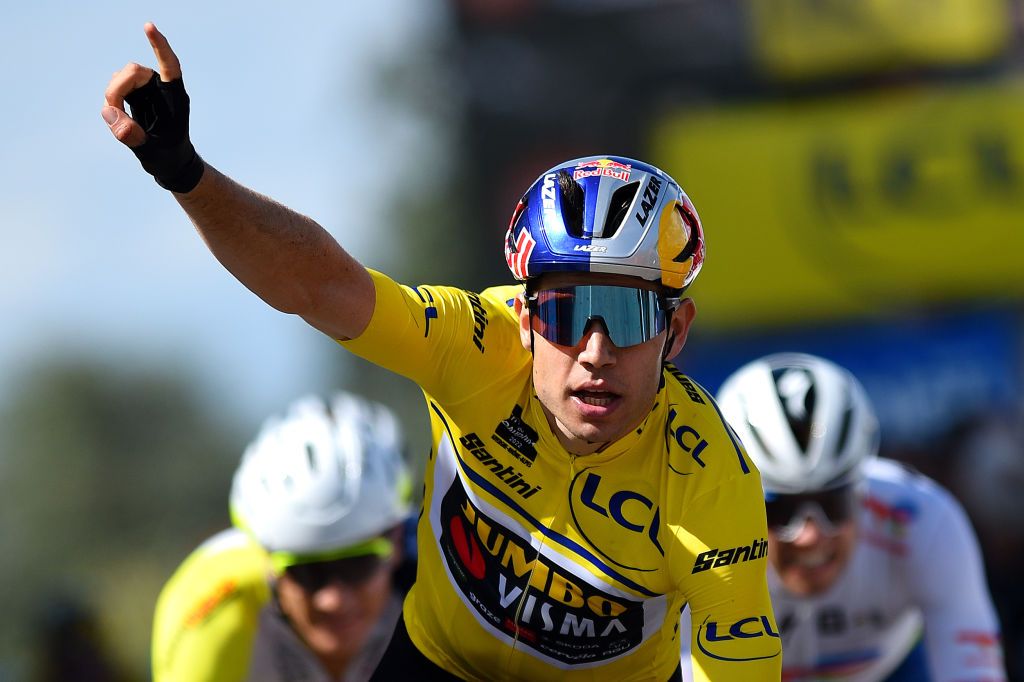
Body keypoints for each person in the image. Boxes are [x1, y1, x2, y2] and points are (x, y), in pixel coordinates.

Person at [105, 24, 780, 681]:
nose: (595, 352)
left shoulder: (712, 484)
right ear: (522, 316)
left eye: (628, 317)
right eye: (567, 314)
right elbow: (319, 283)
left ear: (677, 332)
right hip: (440, 664)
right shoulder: (472, 342)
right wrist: (189, 177)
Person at [682, 352, 1006, 681]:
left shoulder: (924, 520)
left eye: (833, 503)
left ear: (861, 491)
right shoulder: (690, 544)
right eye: (779, 510)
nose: (810, 535)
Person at [151, 392, 415, 682]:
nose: (333, 600)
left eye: (358, 565)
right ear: (267, 563)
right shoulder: (216, 607)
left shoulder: (437, 580)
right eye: (306, 572)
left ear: (398, 542)